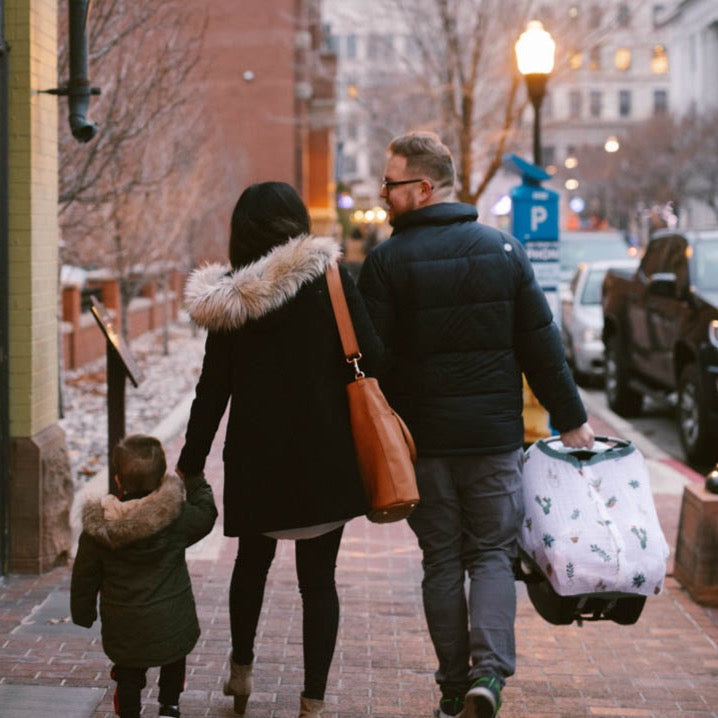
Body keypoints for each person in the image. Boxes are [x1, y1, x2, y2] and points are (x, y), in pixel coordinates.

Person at [357, 131, 594, 718]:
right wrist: (572, 421)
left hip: (426, 446)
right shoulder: (504, 252)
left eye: (391, 184)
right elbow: (543, 348)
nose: (383, 194)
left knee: (441, 561)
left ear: (424, 187)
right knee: (490, 555)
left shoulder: (385, 264)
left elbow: (372, 363)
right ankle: (487, 677)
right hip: (493, 443)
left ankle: (450, 688)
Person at [174, 181, 385, 717]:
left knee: (250, 566)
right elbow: (373, 355)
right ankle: (313, 700)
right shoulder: (334, 280)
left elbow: (211, 389)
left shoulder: (234, 299)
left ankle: (240, 673)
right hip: (326, 459)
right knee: (320, 584)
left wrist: (190, 462)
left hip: (256, 461)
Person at [71, 434, 218, 718]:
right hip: (171, 619)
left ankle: (129, 711)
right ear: (162, 478)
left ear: (118, 480)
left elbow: (85, 576)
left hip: (124, 624)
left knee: (128, 672)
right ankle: (169, 707)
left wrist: (83, 612)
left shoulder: (99, 530)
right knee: (174, 658)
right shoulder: (174, 517)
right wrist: (195, 481)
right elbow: (206, 515)